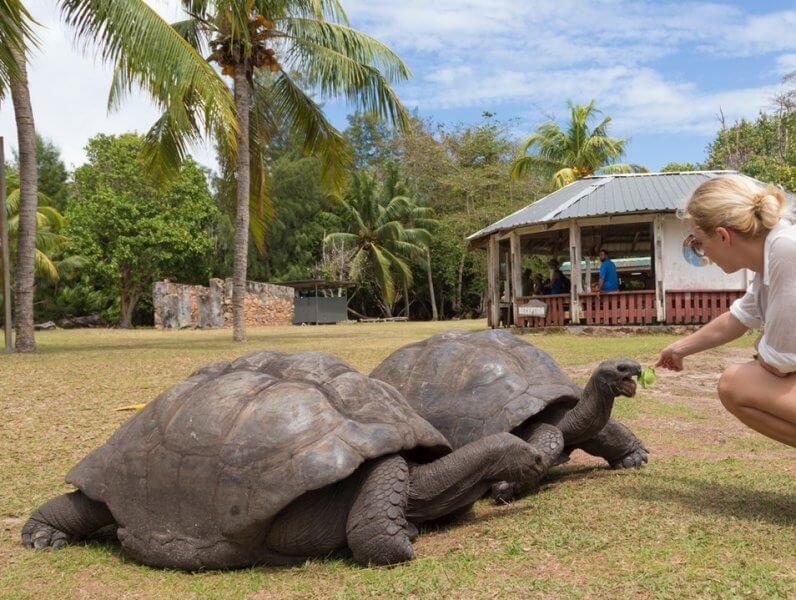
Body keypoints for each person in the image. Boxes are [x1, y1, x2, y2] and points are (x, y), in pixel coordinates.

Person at [656, 174, 796, 447]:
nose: (703, 254)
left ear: (723, 236)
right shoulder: (771, 254)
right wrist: (680, 348)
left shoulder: (786, 251)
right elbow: (739, 318)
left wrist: (765, 351)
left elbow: (781, 361)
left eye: (698, 243)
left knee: (737, 383)